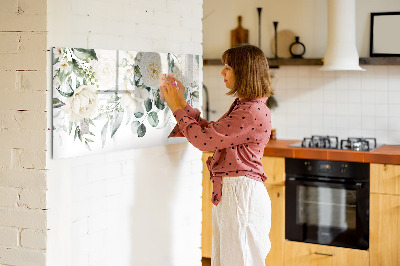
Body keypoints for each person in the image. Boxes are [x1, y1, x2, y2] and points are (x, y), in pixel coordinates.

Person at [161, 44, 273, 266]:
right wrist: (182, 104)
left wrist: (176, 108)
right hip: (236, 193)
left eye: (228, 67)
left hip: (241, 196)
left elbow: (204, 141)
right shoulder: (246, 106)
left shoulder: (250, 111)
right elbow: (212, 133)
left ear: (244, 72)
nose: (222, 72)